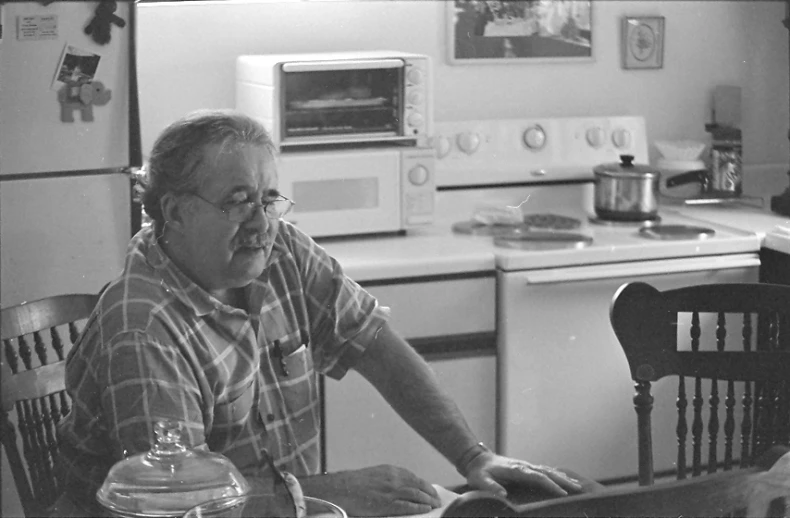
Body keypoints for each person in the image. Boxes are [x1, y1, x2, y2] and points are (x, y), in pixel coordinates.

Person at [54, 109, 583, 517]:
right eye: (238, 201)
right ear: (175, 212)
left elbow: (375, 345)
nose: (262, 224)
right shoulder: (144, 327)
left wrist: (475, 458)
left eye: (269, 198)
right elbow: (183, 505)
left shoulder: (282, 251)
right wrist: (333, 493)